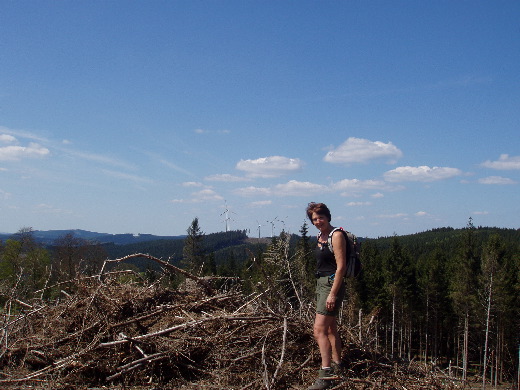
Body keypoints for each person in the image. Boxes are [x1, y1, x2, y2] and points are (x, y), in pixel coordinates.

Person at [305, 202, 347, 390]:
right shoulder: (321, 236)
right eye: (314, 219)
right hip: (322, 283)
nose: (318, 221)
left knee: (319, 330)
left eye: (321, 217)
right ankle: (339, 367)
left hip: (331, 285)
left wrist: (332, 294)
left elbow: (341, 268)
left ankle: (325, 374)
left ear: (328, 216)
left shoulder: (336, 235)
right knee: (330, 329)